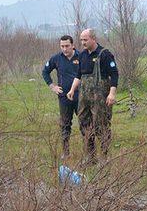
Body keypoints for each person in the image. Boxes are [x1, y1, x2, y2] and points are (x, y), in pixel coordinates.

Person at [66, 28, 118, 163]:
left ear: (93, 39)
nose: (82, 42)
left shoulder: (105, 54)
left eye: (85, 40)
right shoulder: (82, 55)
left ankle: (104, 157)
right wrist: (72, 90)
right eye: (81, 40)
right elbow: (79, 75)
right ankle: (90, 156)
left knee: (101, 125)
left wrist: (112, 93)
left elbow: (114, 74)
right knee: (84, 123)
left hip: (100, 98)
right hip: (85, 97)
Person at [42, 35, 80, 159]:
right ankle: (66, 152)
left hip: (80, 96)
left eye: (67, 46)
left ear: (73, 45)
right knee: (65, 125)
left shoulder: (81, 57)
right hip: (64, 97)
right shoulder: (56, 59)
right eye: (62, 46)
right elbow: (45, 72)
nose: (64, 49)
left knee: (85, 124)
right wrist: (52, 86)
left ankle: (89, 153)